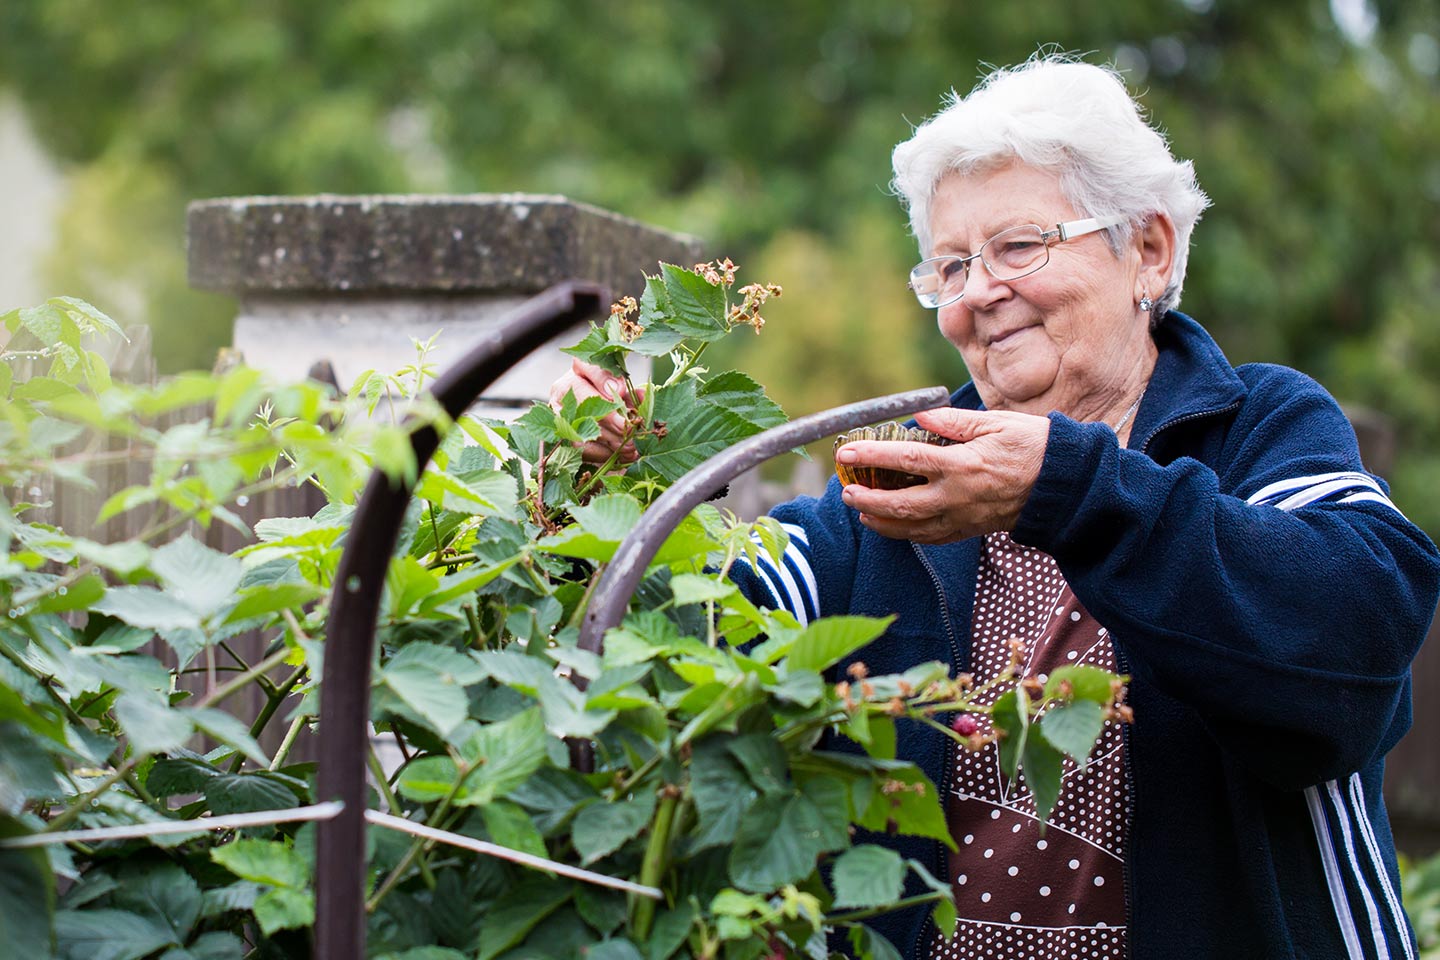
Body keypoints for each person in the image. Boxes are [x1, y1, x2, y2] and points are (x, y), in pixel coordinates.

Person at [551, 55, 1440, 960]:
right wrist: (611, 490)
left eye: (1019, 246)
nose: (976, 293)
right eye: (949, 265)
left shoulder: (1262, 428)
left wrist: (1065, 488)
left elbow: (1354, 645)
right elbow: (702, 626)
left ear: (1149, 249)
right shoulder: (906, 482)